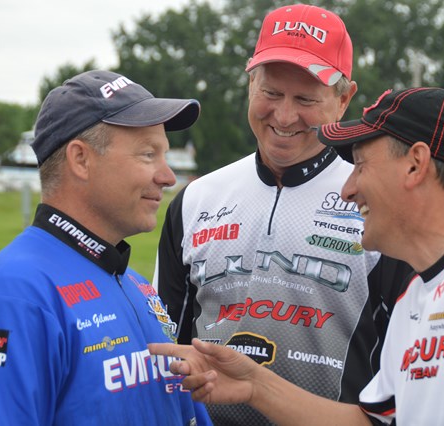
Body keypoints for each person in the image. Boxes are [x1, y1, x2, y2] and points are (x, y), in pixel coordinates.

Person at [149, 87, 444, 425]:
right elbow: (369, 423)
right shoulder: (415, 293)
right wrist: (256, 386)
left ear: (415, 165)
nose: (348, 189)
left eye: (362, 166)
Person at [153, 4, 412, 424]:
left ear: (344, 99)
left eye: (306, 99)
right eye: (271, 93)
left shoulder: (380, 205)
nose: (285, 116)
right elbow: (165, 346)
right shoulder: (196, 199)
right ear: (250, 84)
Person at [0, 70, 212, 425]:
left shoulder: (135, 284)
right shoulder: (10, 297)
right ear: (81, 159)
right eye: (148, 154)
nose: (168, 176)